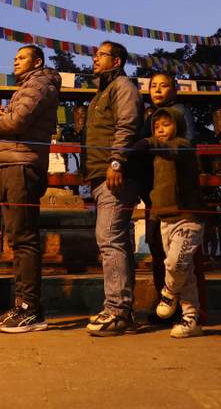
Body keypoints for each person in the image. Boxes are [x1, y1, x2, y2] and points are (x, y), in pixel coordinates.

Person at [0, 44, 60, 333]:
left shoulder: (39, 83)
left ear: (37, 62)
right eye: (14, 57)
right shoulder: (27, 86)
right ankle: (23, 304)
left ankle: (30, 309)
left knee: (24, 238)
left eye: (22, 57)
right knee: (17, 238)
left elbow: (15, 121)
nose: (15, 61)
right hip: (12, 162)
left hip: (22, 164)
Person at [83, 40, 144, 337]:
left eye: (102, 55)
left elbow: (127, 124)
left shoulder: (123, 87)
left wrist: (117, 160)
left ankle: (118, 310)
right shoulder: (101, 93)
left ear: (117, 61)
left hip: (116, 175)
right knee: (114, 238)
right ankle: (124, 311)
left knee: (108, 236)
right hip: (100, 174)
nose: (95, 59)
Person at [146, 107, 206, 338]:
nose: (160, 128)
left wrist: (148, 143)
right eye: (156, 125)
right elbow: (157, 191)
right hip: (165, 220)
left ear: (178, 126)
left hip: (188, 218)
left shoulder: (184, 146)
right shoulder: (157, 156)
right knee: (186, 271)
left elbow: (175, 150)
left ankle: (168, 293)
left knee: (175, 264)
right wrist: (153, 217)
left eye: (166, 124)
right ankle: (191, 317)